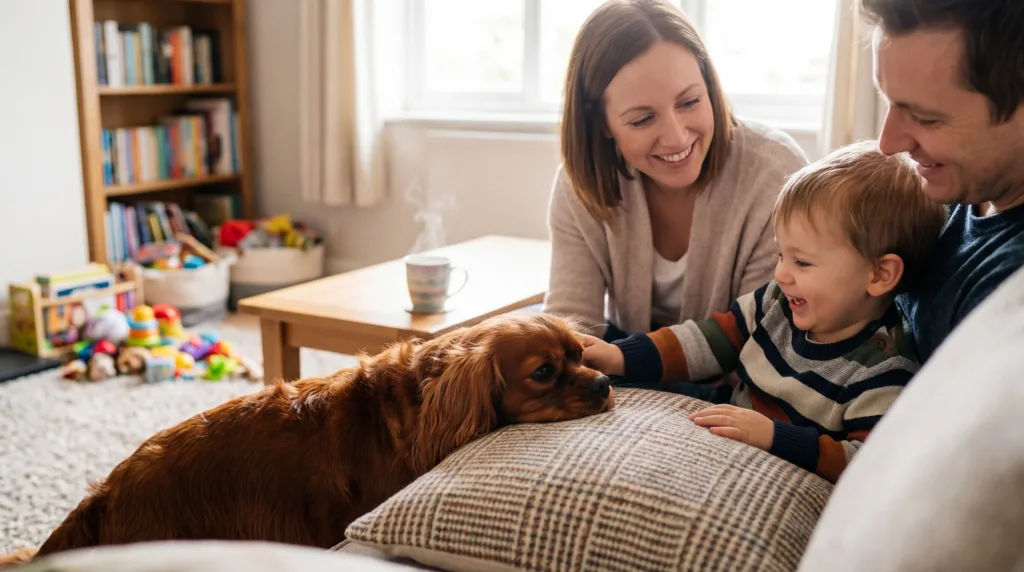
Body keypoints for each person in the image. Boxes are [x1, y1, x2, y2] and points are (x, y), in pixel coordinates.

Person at [580, 141, 948, 483]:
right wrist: (619, 356)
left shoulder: (882, 373)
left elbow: (867, 463)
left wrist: (774, 437)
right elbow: (709, 338)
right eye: (781, 255)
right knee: (617, 383)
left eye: (802, 262)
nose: (780, 274)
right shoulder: (777, 302)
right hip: (732, 410)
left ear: (879, 274)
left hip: (781, 464)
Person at [543, 0, 808, 347]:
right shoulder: (579, 184)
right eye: (642, 119)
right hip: (623, 363)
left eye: (690, 102)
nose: (677, 137)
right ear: (601, 125)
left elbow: (763, 340)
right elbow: (571, 332)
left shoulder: (775, 173)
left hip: (738, 377)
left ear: (709, 88)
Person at [863, 0, 1024, 362]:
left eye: (926, 118)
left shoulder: (1009, 295)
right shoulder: (959, 185)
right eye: (887, 100)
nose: (889, 144)